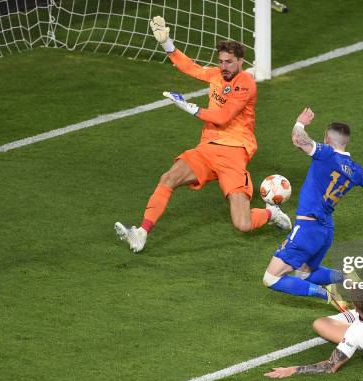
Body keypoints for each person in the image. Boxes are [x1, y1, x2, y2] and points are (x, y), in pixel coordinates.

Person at [115, 16, 291, 253]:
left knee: (242, 223)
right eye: (221, 62)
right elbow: (191, 67)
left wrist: (187, 106)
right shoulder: (217, 76)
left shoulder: (246, 83)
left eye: (229, 62)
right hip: (207, 149)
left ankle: (271, 213)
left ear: (240, 61)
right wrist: (167, 43)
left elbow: (222, 117)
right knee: (168, 178)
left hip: (234, 153)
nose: (224, 67)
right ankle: (141, 233)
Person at [262, 107, 363, 302]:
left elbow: (299, 140)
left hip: (308, 228)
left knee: (271, 278)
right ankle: (348, 278)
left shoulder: (326, 154)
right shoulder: (355, 169)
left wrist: (300, 123)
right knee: (306, 274)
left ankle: (328, 295)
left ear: (327, 139)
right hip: (326, 230)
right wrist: (357, 172)